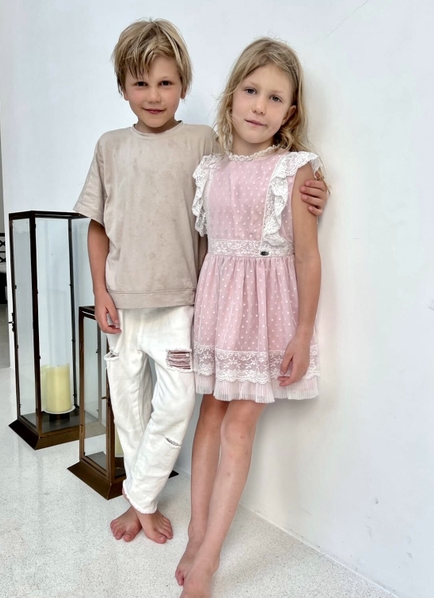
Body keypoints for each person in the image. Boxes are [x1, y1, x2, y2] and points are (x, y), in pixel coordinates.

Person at [74, 21, 328, 546]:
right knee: (128, 408)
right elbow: (97, 224)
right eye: (140, 83)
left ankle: (150, 506)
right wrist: (99, 292)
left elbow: (257, 175)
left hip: (183, 305)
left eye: (166, 83)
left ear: (184, 86)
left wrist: (316, 192)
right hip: (123, 303)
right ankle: (140, 502)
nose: (153, 95)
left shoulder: (204, 145)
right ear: (122, 86)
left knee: (175, 408)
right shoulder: (111, 146)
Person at [166, 37, 324, 598]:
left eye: (275, 98)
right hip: (219, 307)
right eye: (252, 91)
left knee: (239, 425)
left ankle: (207, 565)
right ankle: (197, 533)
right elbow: (210, 248)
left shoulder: (297, 170)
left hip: (267, 315)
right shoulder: (210, 168)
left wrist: (302, 332)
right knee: (209, 415)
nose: (260, 105)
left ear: (291, 112)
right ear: (232, 96)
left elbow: (306, 257)